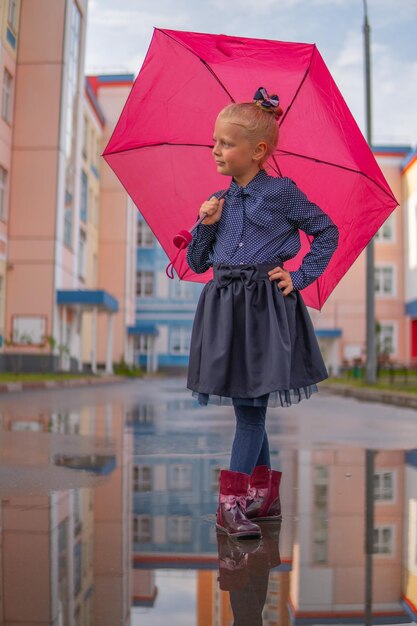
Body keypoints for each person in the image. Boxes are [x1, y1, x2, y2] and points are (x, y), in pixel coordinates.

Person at [186, 87, 339, 539]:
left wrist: (301, 277)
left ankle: (231, 505)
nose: (215, 150)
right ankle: (264, 495)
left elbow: (325, 232)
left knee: (251, 408)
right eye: (214, 141)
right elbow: (197, 263)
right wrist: (204, 225)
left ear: (258, 152)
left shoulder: (282, 192)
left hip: (263, 306)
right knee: (246, 402)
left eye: (225, 143)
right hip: (225, 306)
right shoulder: (218, 201)